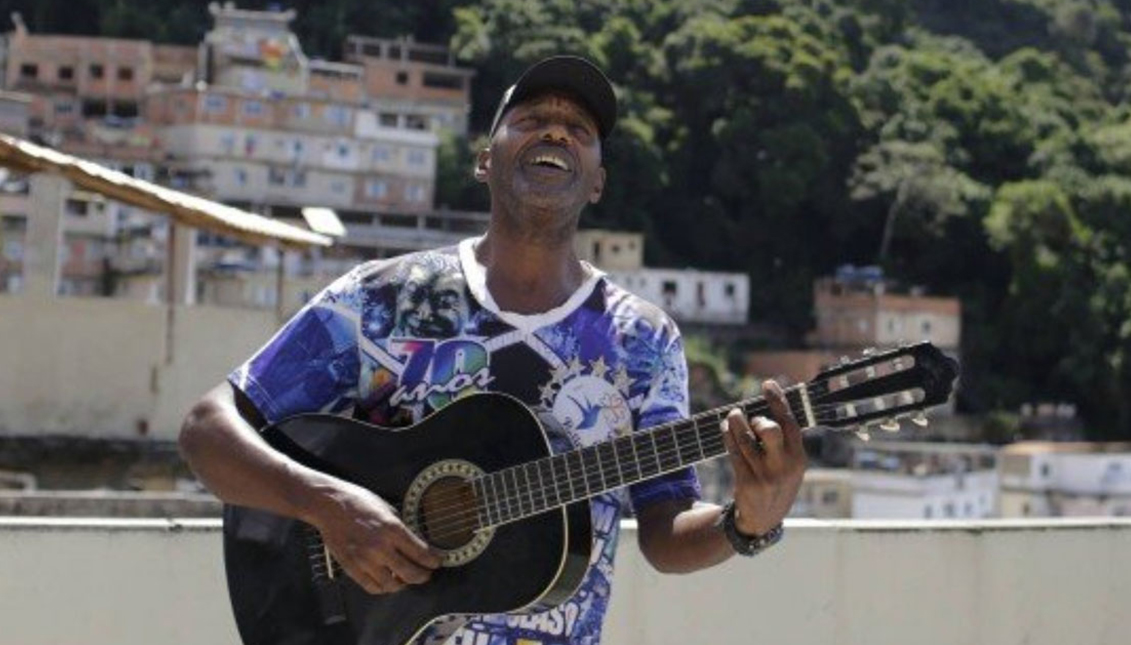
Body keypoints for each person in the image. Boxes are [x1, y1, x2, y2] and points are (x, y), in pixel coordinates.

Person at [179, 55, 807, 645]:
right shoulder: (380, 299)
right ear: (486, 160)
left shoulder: (642, 339)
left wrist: (745, 523)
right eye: (533, 120)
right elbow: (208, 432)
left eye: (579, 129)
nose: (557, 134)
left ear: (598, 181)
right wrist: (329, 505)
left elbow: (666, 531)